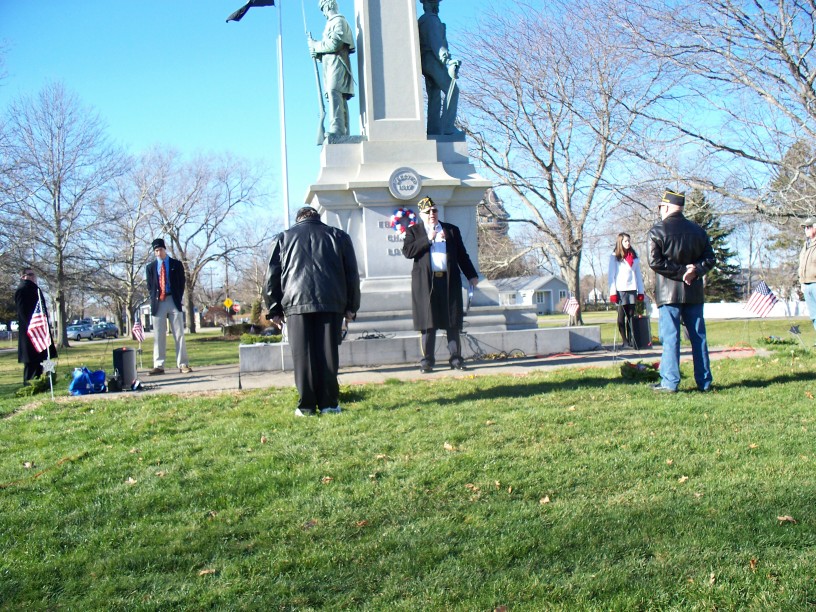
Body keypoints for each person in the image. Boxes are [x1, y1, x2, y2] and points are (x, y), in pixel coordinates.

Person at [264, 206, 360, 417]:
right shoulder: (339, 236)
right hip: (331, 302)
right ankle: (329, 403)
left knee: (302, 355)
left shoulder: (283, 238)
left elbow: (271, 276)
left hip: (296, 302)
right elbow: (352, 274)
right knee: (328, 354)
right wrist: (351, 307)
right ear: (318, 218)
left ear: (298, 220)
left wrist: (274, 309)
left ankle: (306, 405)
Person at [648, 189, 716, 393]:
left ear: (666, 207)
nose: (660, 211)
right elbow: (710, 259)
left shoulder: (657, 231)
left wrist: (680, 272)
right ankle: (704, 382)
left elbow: (655, 262)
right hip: (693, 292)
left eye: (661, 207)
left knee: (670, 337)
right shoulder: (698, 231)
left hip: (668, 294)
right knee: (698, 337)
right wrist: (694, 270)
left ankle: (669, 382)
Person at [402, 195, 479, 373]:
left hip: (449, 281)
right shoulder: (414, 232)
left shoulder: (451, 230)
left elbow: (462, 255)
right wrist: (429, 238)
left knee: (452, 322)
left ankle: (456, 359)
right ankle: (427, 361)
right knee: (428, 323)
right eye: (428, 211)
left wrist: (471, 275)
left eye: (434, 210)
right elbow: (408, 252)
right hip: (426, 284)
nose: (432, 214)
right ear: (421, 214)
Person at [308, 0, 355, 139]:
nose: (323, 13)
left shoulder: (338, 21)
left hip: (338, 64)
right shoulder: (330, 23)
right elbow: (328, 48)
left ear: (328, 5)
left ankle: (338, 129)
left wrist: (316, 45)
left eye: (323, 8)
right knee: (334, 95)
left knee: (335, 92)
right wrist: (317, 53)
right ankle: (340, 129)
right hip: (329, 65)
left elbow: (335, 43)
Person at [145, 238, 191, 375]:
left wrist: (177, 296)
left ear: (165, 249)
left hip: (173, 300)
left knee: (179, 334)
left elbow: (181, 282)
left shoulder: (176, 264)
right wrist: (156, 297)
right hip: (158, 302)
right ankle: (159, 365)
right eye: (155, 251)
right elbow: (150, 286)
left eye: (160, 250)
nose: (158, 253)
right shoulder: (151, 267)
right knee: (159, 335)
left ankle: (183, 364)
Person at [418, 0, 460, 136]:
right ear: (432, 5)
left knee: (434, 96)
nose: (438, 6)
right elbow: (436, 42)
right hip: (433, 60)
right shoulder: (431, 20)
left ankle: (434, 130)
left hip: (426, 62)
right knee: (453, 90)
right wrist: (447, 60)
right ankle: (447, 127)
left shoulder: (423, 20)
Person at [15, 268, 57, 385]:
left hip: (40, 332)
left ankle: (43, 382)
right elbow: (23, 313)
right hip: (31, 332)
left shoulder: (35, 289)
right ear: (23, 276)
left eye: (34, 274)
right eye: (31, 274)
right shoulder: (22, 290)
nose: (34, 277)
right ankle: (29, 385)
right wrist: (34, 327)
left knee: (42, 359)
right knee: (31, 363)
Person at [608, 233, 645, 348]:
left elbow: (638, 275)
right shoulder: (614, 256)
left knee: (631, 316)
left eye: (629, 241)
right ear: (620, 242)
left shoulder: (634, 257)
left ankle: (631, 340)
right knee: (621, 317)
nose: (628, 243)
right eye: (625, 241)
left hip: (632, 289)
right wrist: (613, 293)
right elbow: (611, 275)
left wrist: (641, 292)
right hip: (620, 290)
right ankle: (624, 341)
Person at [798, 217, 816, 334]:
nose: (806, 229)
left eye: (808, 227)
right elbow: (801, 265)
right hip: (806, 284)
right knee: (814, 316)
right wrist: (801, 282)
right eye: (805, 227)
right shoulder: (806, 245)